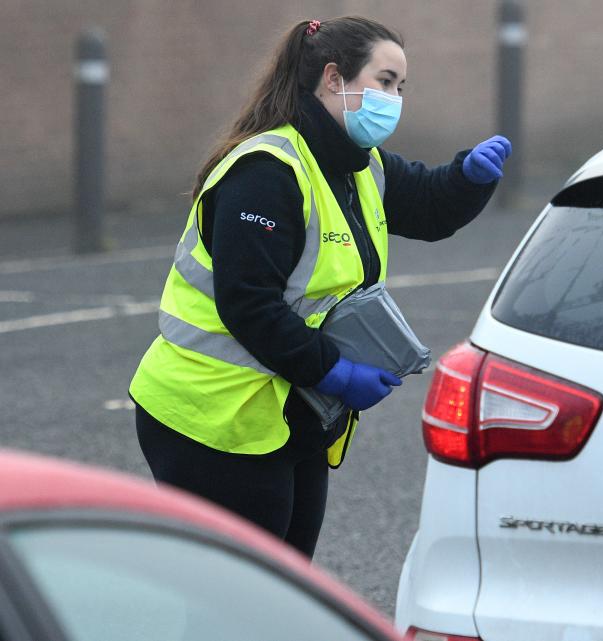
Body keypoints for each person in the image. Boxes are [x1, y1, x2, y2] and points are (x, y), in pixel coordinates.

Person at [129, 16, 511, 558]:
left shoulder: (358, 164)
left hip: (289, 411)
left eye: (401, 87)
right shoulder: (266, 172)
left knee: (284, 587)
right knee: (237, 599)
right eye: (384, 81)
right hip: (211, 418)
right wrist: (336, 371)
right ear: (334, 79)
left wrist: (468, 177)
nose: (395, 99)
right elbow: (250, 306)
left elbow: (426, 206)